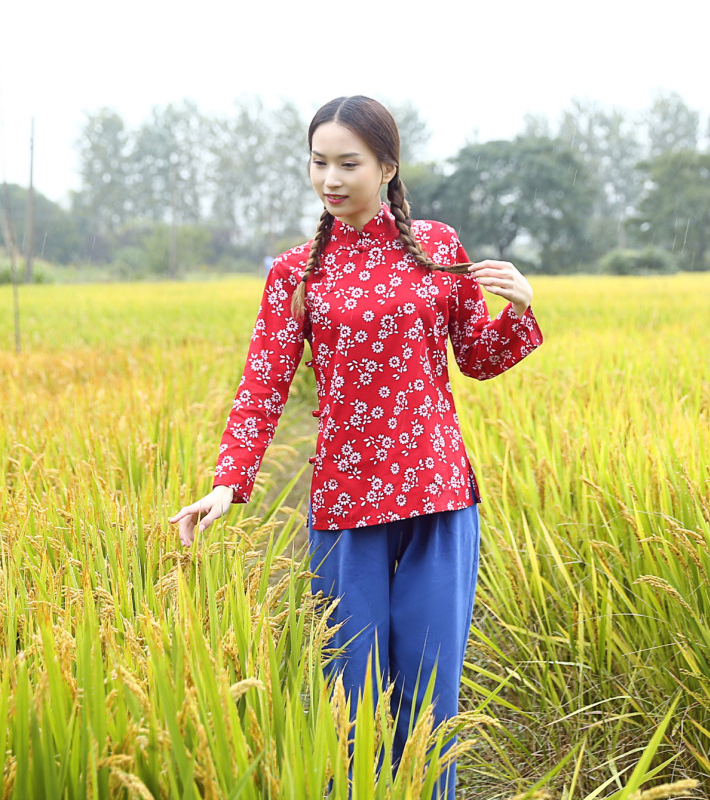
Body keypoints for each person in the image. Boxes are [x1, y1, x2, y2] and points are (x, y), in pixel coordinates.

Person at [170, 95, 543, 798]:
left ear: (388, 167)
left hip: (437, 494)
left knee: (430, 697)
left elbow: (479, 358)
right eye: (319, 163)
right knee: (354, 697)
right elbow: (263, 383)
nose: (330, 179)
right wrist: (227, 483)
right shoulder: (296, 273)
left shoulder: (438, 248)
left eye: (349, 163)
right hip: (346, 503)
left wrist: (520, 308)